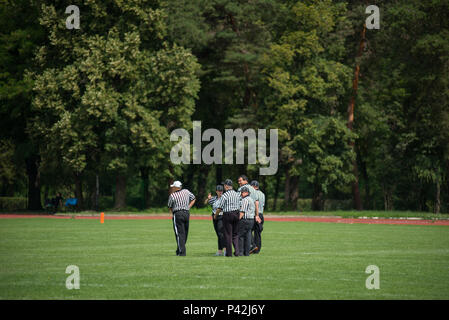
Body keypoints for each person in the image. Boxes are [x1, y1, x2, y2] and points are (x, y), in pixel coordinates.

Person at [214, 179, 241, 257]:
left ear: (226, 186)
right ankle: (237, 252)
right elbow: (240, 204)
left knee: (228, 234)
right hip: (236, 213)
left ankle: (229, 253)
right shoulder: (237, 194)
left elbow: (220, 207)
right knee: (235, 234)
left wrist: (215, 215)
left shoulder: (225, 195)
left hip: (228, 214)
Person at [167, 180, 196, 256]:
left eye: (173, 187)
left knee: (179, 234)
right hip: (186, 213)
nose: (172, 188)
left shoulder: (172, 195)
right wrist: (188, 207)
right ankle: (179, 250)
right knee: (185, 233)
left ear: (176, 187)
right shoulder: (186, 191)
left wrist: (173, 213)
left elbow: (169, 206)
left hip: (178, 214)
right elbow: (193, 198)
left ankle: (182, 252)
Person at [205, 185, 226, 256]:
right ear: (216, 191)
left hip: (222, 216)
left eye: (221, 191)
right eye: (219, 191)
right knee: (218, 234)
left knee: (221, 234)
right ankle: (220, 251)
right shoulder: (214, 198)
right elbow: (205, 203)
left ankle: (225, 249)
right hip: (214, 217)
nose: (220, 192)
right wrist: (208, 199)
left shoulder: (224, 198)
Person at [238, 186, 255, 256]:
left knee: (240, 236)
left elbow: (242, 212)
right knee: (248, 236)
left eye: (242, 192)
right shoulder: (251, 199)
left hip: (245, 220)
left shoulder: (245, 200)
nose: (241, 194)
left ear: (246, 192)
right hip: (251, 220)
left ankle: (240, 252)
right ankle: (247, 252)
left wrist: (237, 219)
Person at [250, 180, 265, 254]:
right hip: (261, 214)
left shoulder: (253, 193)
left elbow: (255, 204)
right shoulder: (262, 194)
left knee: (248, 230)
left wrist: (256, 215)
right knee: (258, 234)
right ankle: (257, 250)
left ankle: (252, 246)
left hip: (255, 214)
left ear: (253, 186)